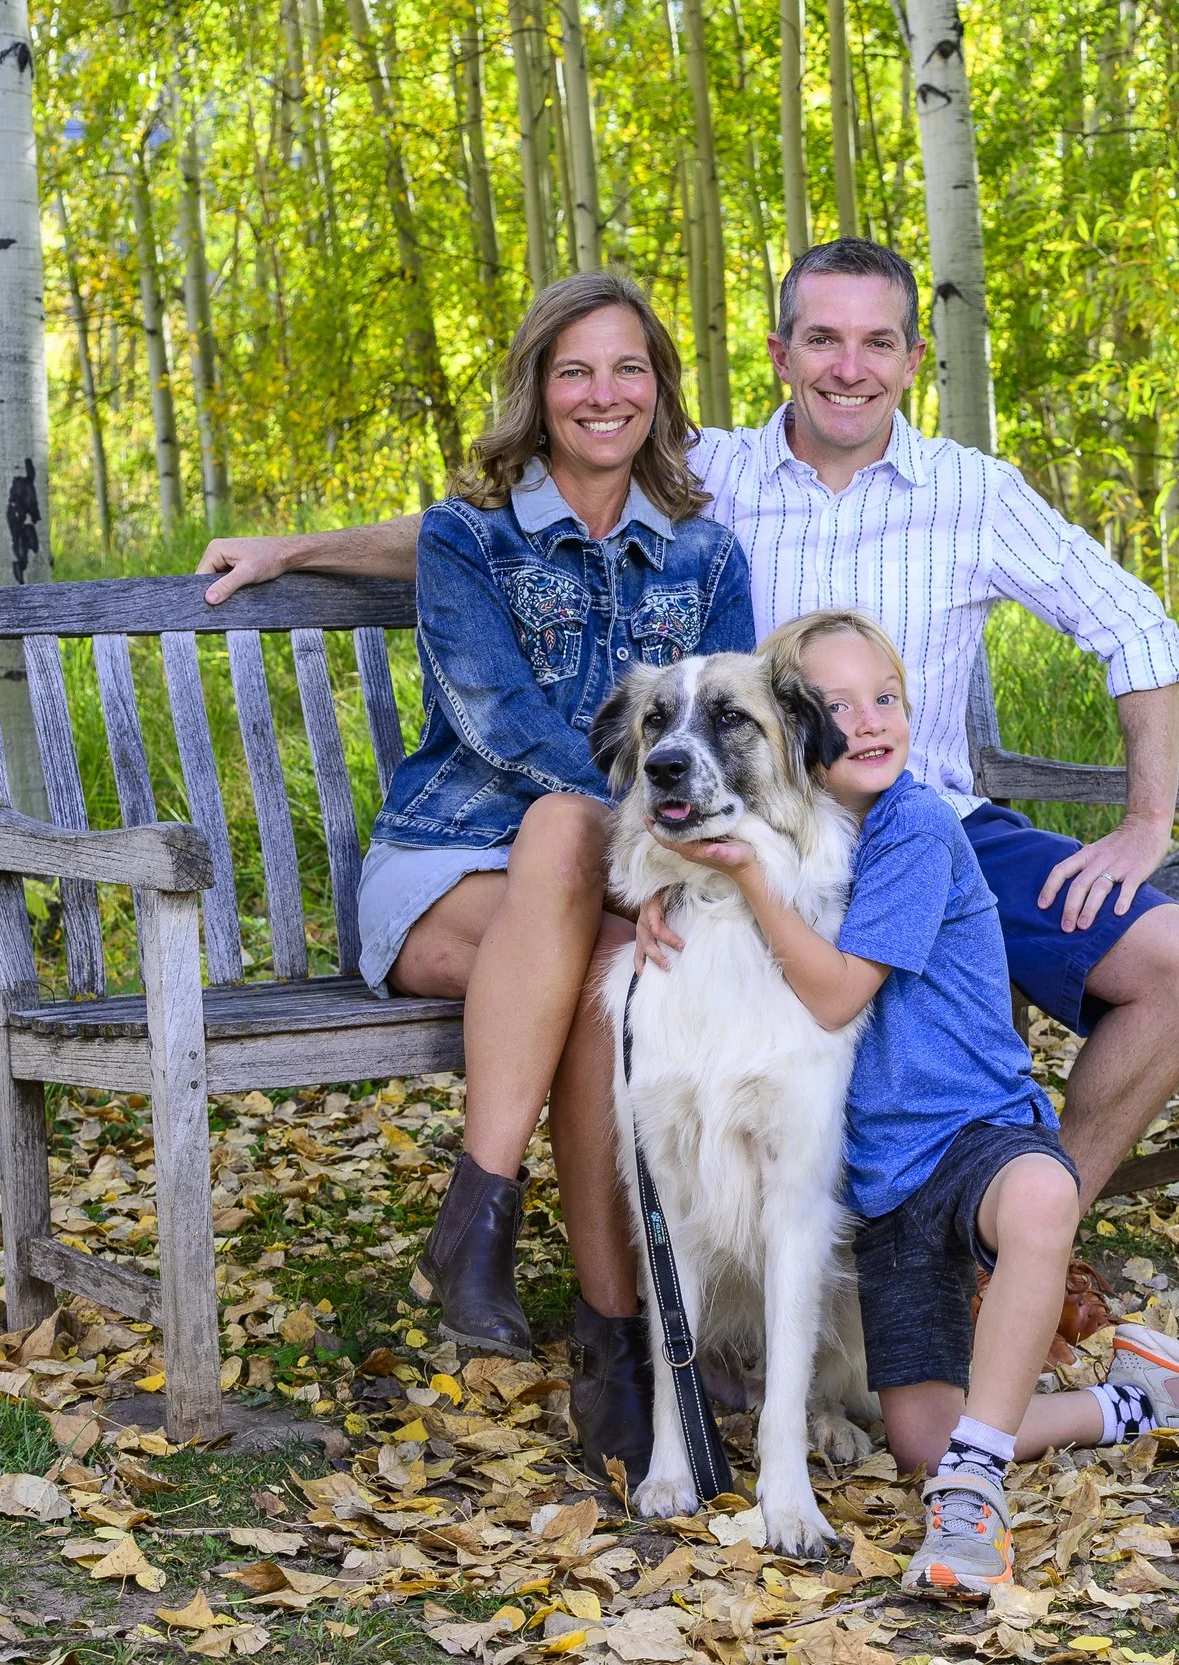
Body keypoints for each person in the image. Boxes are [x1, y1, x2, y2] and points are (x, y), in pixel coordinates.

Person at [198, 238, 1179, 1287]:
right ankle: (669, 1293)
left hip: (930, 829)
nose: (848, 367)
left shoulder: (976, 492)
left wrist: (1147, 821)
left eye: (877, 342)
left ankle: (1018, 1246)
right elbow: (494, 527)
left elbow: (1137, 629)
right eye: (821, 339)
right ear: (780, 353)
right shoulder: (713, 482)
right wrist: (295, 550)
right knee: (648, 966)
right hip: (751, 843)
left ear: (914, 358)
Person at [644, 611, 1179, 1599]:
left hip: (969, 1135)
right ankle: (1137, 1400)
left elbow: (832, 994)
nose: (866, 723)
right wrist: (678, 889)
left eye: (887, 700)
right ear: (792, 733)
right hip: (884, 1188)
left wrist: (735, 873)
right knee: (913, 1435)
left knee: (1040, 1200)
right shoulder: (805, 834)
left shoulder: (913, 826)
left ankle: (975, 1494)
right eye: (835, 707)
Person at [363, 272, 753, 1481]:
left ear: (659, 390)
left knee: (605, 978)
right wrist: (633, 833)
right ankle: (611, 1338)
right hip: (447, 871)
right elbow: (496, 720)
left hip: (611, 890)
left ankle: (515, 1265)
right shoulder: (462, 538)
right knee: (560, 834)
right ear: (538, 387)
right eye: (575, 369)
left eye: (627, 369)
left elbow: (735, 725)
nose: (602, 393)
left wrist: (642, 856)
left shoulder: (705, 555)